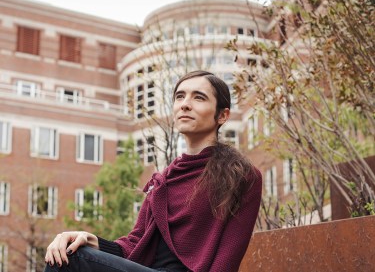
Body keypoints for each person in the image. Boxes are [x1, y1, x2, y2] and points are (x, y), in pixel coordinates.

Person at [44, 70, 262, 272]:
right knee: (64, 252)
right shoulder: (164, 180)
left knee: (71, 259)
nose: (185, 105)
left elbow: (228, 259)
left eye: (198, 97)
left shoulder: (240, 175)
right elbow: (135, 244)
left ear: (222, 116)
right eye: (179, 96)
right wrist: (89, 239)